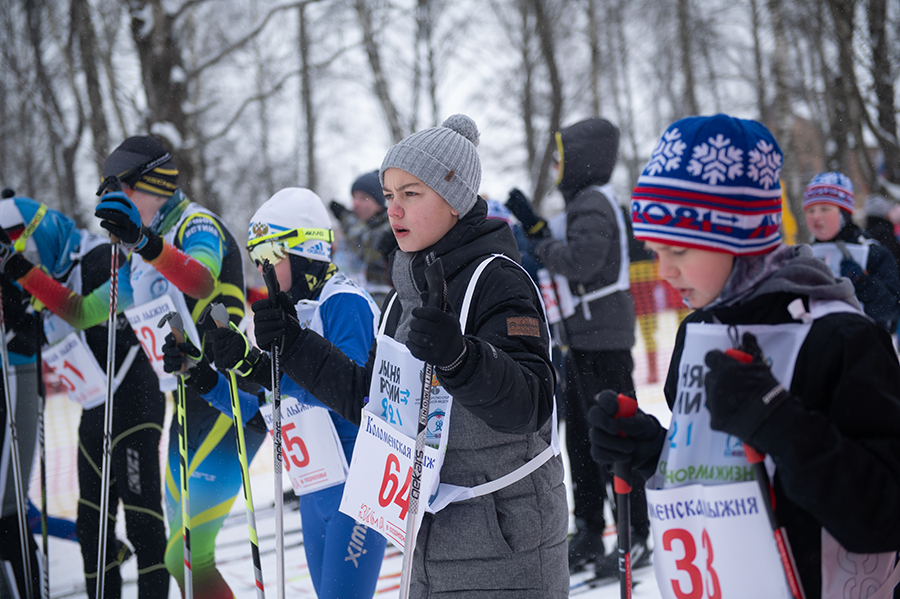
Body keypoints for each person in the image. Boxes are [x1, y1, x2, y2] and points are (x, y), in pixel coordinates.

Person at [249, 115, 568, 597]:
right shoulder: (406, 294)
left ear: (455, 199)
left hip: (506, 534)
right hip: (429, 535)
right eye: (389, 194)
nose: (393, 210)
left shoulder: (498, 278)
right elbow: (373, 403)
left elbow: (529, 406)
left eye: (410, 194)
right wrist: (294, 345)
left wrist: (460, 358)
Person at [589, 114, 900, 598]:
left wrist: (778, 421)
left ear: (741, 235)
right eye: (654, 250)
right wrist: (651, 450)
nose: (664, 270)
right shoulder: (700, 332)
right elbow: (720, 473)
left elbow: (884, 514)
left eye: (680, 249)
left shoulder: (839, 336)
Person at [1, 136, 257, 597]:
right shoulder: (139, 257)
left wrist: (146, 241)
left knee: (186, 551)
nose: (114, 201)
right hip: (187, 403)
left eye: (119, 189)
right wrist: (19, 268)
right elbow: (80, 311)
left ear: (151, 184)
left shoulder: (196, 223)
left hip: (229, 402)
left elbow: (200, 281)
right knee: (184, 558)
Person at [163, 187, 387, 597]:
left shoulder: (343, 304)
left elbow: (346, 394)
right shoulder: (290, 316)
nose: (261, 269)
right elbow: (266, 413)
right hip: (315, 490)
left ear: (305, 252)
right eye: (256, 258)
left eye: (269, 257)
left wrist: (257, 365)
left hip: (355, 490)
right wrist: (201, 376)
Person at [0, 195, 167, 598]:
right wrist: (14, 303)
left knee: (142, 520)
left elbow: (83, 313)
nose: (27, 259)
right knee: (91, 526)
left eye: (21, 244)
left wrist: (23, 275)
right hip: (95, 408)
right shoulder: (49, 274)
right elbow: (38, 336)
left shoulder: (97, 256)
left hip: (134, 402)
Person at [504, 117, 650, 575]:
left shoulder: (594, 202)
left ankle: (637, 533)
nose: (554, 167)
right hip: (582, 340)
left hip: (603, 341)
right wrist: (537, 226)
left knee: (613, 434)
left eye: (560, 158)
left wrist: (542, 241)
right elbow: (570, 246)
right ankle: (589, 527)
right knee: (583, 439)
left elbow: (583, 261)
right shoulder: (584, 203)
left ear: (580, 159)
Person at [804, 172, 900, 332]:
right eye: (810, 210)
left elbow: (891, 311)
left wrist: (863, 282)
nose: (816, 217)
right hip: (818, 351)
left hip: (866, 349)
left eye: (824, 209)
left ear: (843, 213)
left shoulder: (873, 252)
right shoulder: (804, 256)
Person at [329, 170, 397, 306]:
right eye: (354, 197)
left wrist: (345, 217)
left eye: (363, 198)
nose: (355, 203)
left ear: (378, 204)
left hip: (382, 301)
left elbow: (366, 245)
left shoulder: (390, 228)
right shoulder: (356, 226)